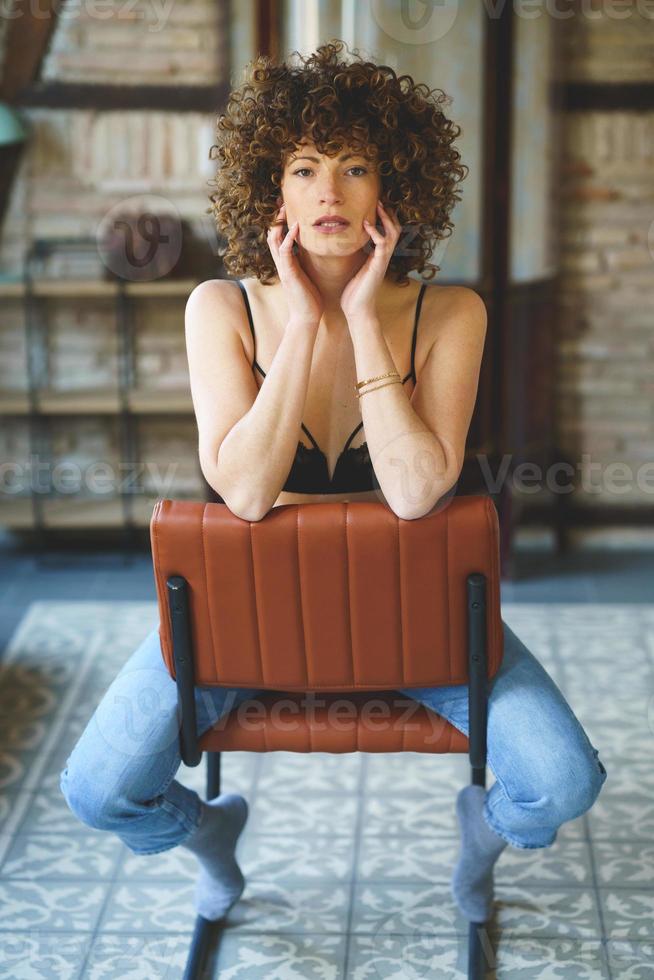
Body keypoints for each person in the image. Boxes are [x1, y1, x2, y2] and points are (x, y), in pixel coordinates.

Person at [60, 40, 607, 926]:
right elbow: (242, 492)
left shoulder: (450, 312)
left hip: (419, 621)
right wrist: (306, 326)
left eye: (355, 167)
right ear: (270, 189)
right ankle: (212, 838)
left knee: (563, 781)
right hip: (241, 626)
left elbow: (418, 492)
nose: (329, 191)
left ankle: (481, 834)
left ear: (394, 188)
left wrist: (359, 319)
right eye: (304, 167)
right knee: (99, 790)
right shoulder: (219, 307)